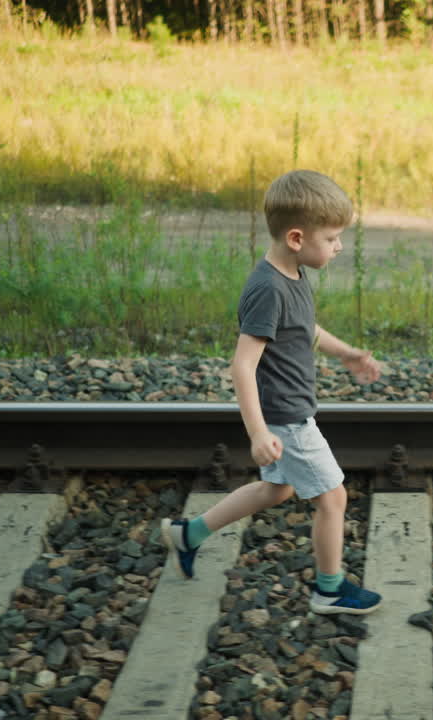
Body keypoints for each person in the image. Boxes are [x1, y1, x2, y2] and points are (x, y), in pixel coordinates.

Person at [161, 169, 383, 615]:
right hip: (286, 417)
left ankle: (189, 534)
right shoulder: (267, 289)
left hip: (288, 411)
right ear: (298, 237)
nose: (339, 247)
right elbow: (242, 365)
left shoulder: (293, 274)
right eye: (333, 238)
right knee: (333, 497)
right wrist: (258, 432)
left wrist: (348, 354)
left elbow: (308, 330)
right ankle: (329, 589)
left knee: (276, 491)